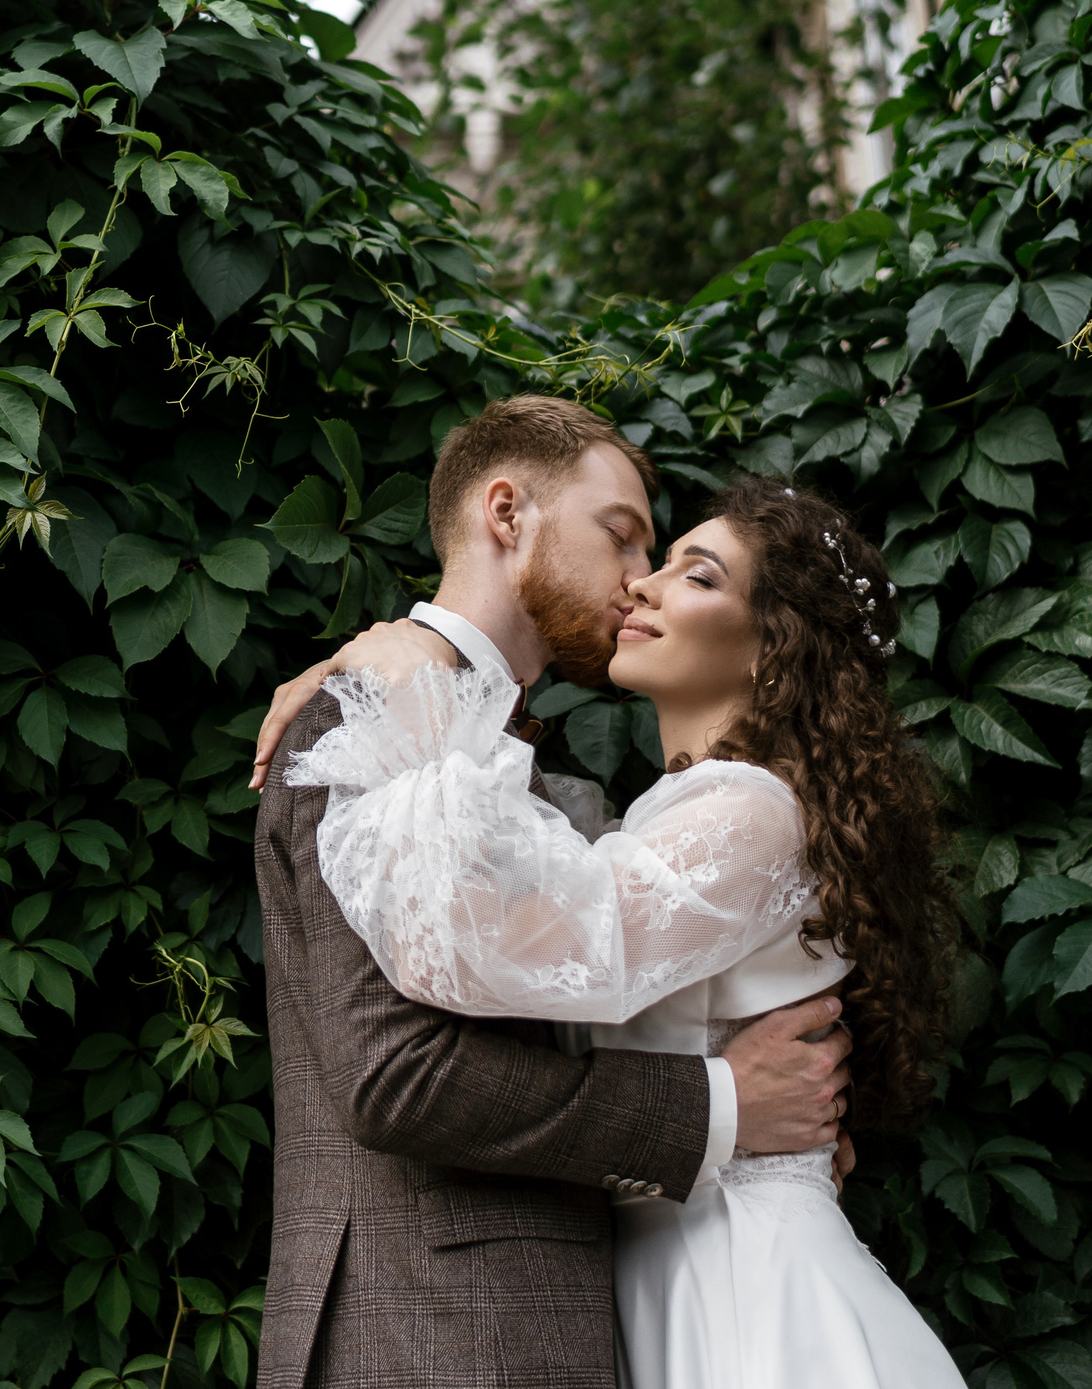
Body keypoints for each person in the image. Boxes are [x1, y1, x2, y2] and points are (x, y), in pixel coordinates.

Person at [273, 467, 963, 1389]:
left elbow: (486, 941)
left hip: (741, 1284)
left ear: (775, 647)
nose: (640, 582)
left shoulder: (750, 811)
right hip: (645, 1278)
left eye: (697, 572)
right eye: (639, 545)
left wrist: (409, 688)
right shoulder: (657, 818)